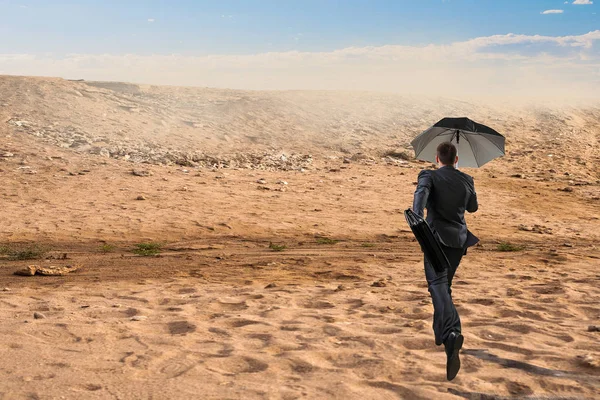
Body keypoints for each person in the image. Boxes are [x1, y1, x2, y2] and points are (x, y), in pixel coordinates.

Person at [412, 141, 479, 381]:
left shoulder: (428, 175)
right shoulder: (467, 180)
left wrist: (416, 217)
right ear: (456, 159)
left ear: (437, 158)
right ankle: (441, 334)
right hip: (459, 241)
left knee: (437, 285)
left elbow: (421, 194)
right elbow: (473, 208)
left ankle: (451, 333)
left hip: (435, 239)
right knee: (444, 286)